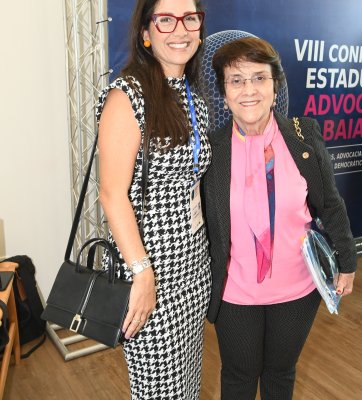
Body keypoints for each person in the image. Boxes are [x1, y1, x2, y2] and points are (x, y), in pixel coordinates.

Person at [203, 37, 357, 400]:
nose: (249, 90)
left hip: (297, 290)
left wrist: (347, 262)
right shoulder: (211, 151)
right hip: (236, 293)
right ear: (224, 92)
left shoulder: (303, 138)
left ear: (275, 85)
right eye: (236, 80)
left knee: (280, 375)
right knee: (239, 377)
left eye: (259, 78)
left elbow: (330, 205)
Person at [96, 0, 211, 399]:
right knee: (159, 391)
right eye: (166, 19)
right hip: (150, 271)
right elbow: (111, 193)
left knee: (187, 384)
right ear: (146, 32)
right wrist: (142, 274)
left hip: (193, 268)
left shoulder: (191, 96)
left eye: (190, 18)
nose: (180, 29)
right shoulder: (127, 95)